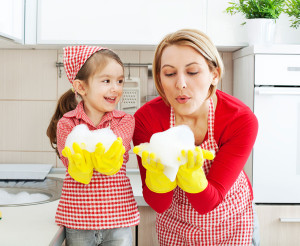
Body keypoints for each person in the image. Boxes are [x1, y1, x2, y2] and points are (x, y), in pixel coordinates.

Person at [132, 29, 259, 245]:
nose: (180, 83)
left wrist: (190, 174)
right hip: (176, 227)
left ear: (214, 74)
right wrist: (159, 178)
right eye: (169, 74)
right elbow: (159, 204)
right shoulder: (147, 119)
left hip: (232, 223)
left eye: (192, 72)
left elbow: (207, 203)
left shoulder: (239, 119)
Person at [47, 45, 139, 246]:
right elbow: (73, 165)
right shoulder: (67, 123)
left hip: (118, 217)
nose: (116, 88)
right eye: (106, 81)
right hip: (78, 219)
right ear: (81, 87)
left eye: (120, 81)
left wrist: (88, 154)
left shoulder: (125, 121)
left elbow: (111, 158)